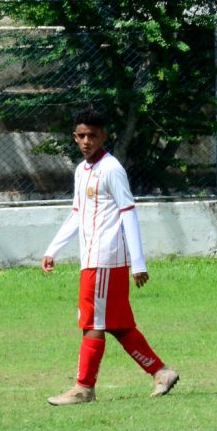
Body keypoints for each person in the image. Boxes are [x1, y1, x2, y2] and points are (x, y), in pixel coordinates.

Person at [41, 109, 179, 406]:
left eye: (93, 135)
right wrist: (53, 248)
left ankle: (83, 388)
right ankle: (161, 372)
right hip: (93, 260)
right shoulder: (81, 170)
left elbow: (128, 212)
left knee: (93, 323)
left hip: (105, 259)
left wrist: (138, 262)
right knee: (116, 324)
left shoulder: (112, 168)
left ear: (104, 136)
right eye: (81, 135)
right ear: (74, 137)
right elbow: (77, 213)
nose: (87, 140)